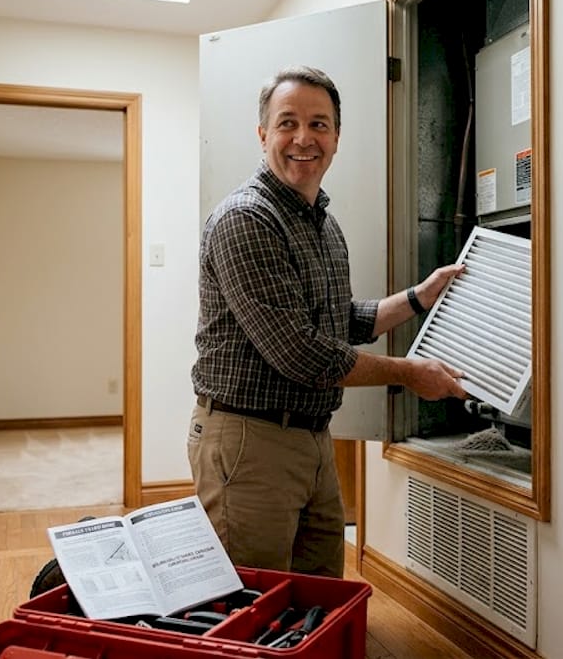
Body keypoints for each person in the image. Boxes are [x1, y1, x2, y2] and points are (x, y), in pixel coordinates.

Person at [188, 64, 468, 579]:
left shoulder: (323, 223)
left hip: (313, 438)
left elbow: (336, 321)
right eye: (287, 123)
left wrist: (418, 297)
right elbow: (301, 353)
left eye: (319, 124)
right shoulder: (246, 219)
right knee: (254, 601)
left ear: (336, 137)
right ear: (263, 135)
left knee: (318, 595)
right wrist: (409, 373)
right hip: (249, 441)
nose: (304, 138)